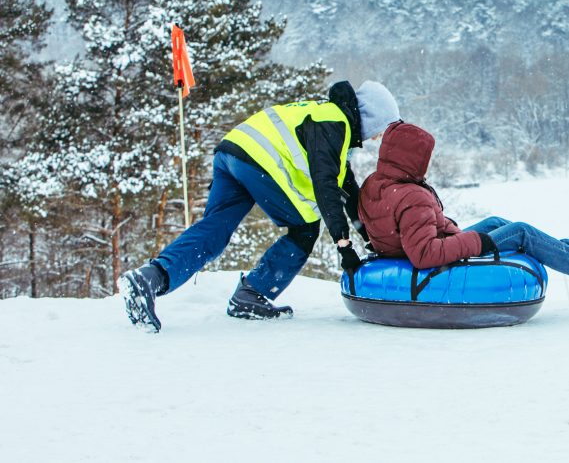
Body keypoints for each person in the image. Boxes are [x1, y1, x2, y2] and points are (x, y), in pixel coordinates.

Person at [120, 80, 400, 332]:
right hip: (259, 162)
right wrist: (344, 245)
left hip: (232, 152)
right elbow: (325, 186)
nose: (377, 138)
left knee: (215, 230)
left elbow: (347, 190)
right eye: (380, 129)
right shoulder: (334, 122)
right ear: (369, 116)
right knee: (304, 230)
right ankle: (251, 295)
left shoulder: (327, 117)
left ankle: (150, 279)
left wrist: (369, 237)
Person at [357, 121, 569, 286]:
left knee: (496, 224)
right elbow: (424, 254)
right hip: (440, 258)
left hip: (435, 242)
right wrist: (476, 243)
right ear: (410, 158)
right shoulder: (410, 195)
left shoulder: (377, 182)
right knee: (520, 232)